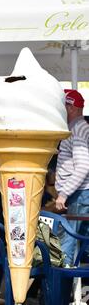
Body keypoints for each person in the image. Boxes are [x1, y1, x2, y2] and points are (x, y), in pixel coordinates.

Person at [55, 89, 89, 267]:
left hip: (79, 195)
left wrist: (64, 194)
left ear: (71, 107)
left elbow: (83, 165)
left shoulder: (78, 128)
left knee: (65, 249)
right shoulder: (77, 128)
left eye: (63, 106)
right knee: (79, 248)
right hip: (80, 195)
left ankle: (61, 295)